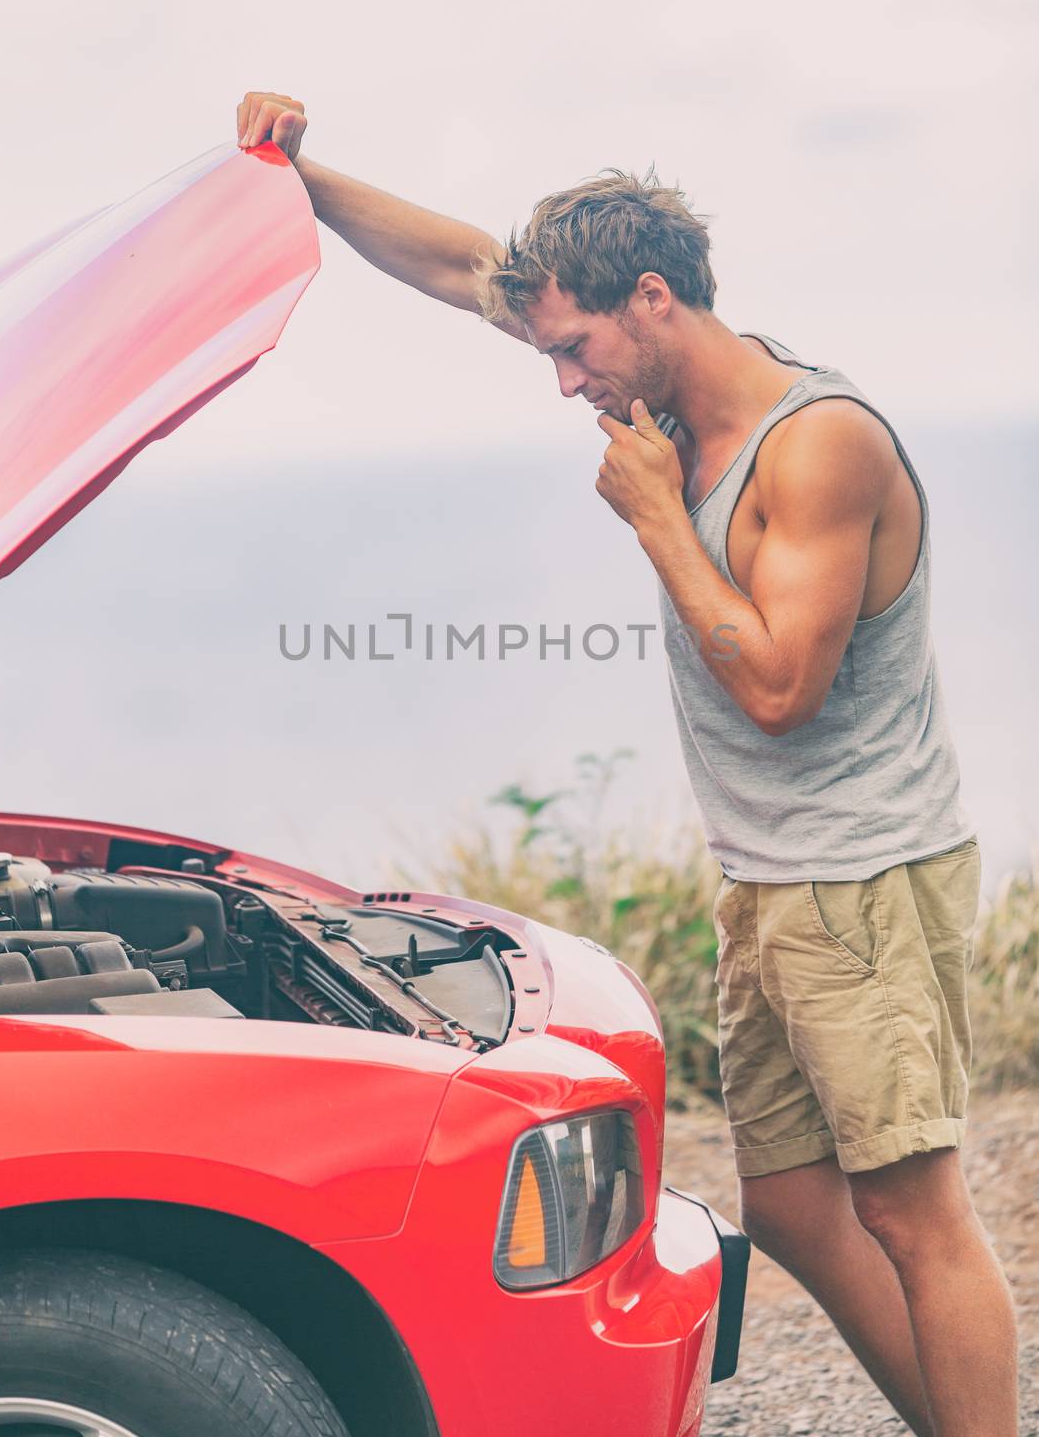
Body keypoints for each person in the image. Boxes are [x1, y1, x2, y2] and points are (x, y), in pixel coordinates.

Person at [236, 92, 1019, 1437]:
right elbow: (449, 263)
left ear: (651, 298)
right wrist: (295, 178)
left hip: (865, 881)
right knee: (786, 1205)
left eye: (577, 349)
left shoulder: (816, 445)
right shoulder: (647, 372)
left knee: (913, 1211)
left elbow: (779, 689)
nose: (563, 381)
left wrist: (659, 517)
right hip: (770, 880)